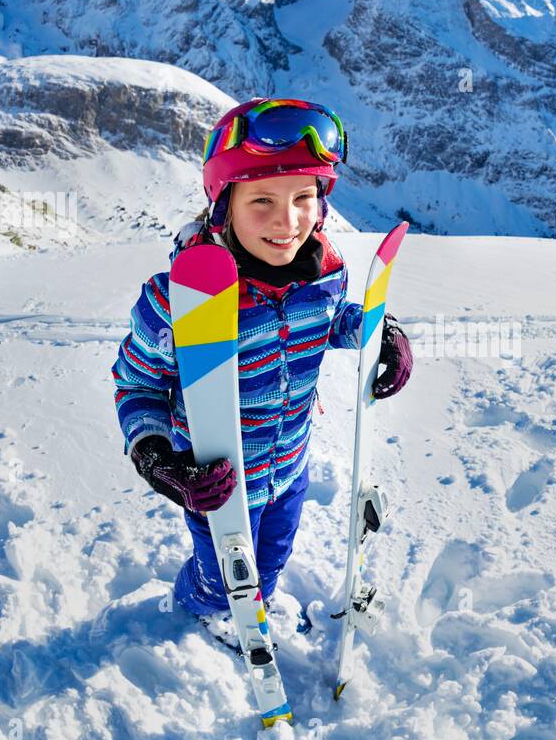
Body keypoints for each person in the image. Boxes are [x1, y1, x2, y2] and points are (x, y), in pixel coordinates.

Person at [110, 97, 413, 628]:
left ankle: (248, 611)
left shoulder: (323, 274)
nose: (288, 221)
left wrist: (375, 332)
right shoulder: (178, 302)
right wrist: (157, 458)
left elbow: (327, 319)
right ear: (224, 205)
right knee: (219, 584)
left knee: (267, 568)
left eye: (304, 197)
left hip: (290, 467)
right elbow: (137, 386)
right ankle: (194, 612)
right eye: (262, 202)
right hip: (217, 484)